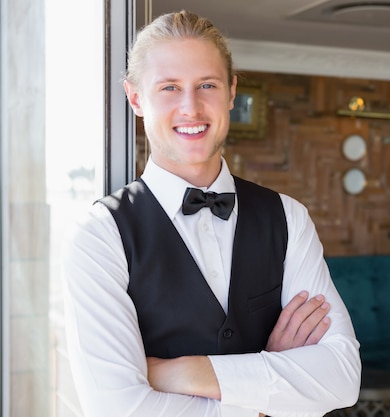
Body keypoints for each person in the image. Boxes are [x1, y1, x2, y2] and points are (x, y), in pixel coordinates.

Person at [62, 9, 361, 417]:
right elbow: (118, 408)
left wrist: (178, 373)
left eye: (207, 84)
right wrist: (262, 395)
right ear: (136, 99)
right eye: (169, 87)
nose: (191, 107)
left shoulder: (288, 218)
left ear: (232, 92)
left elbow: (342, 378)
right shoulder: (99, 235)